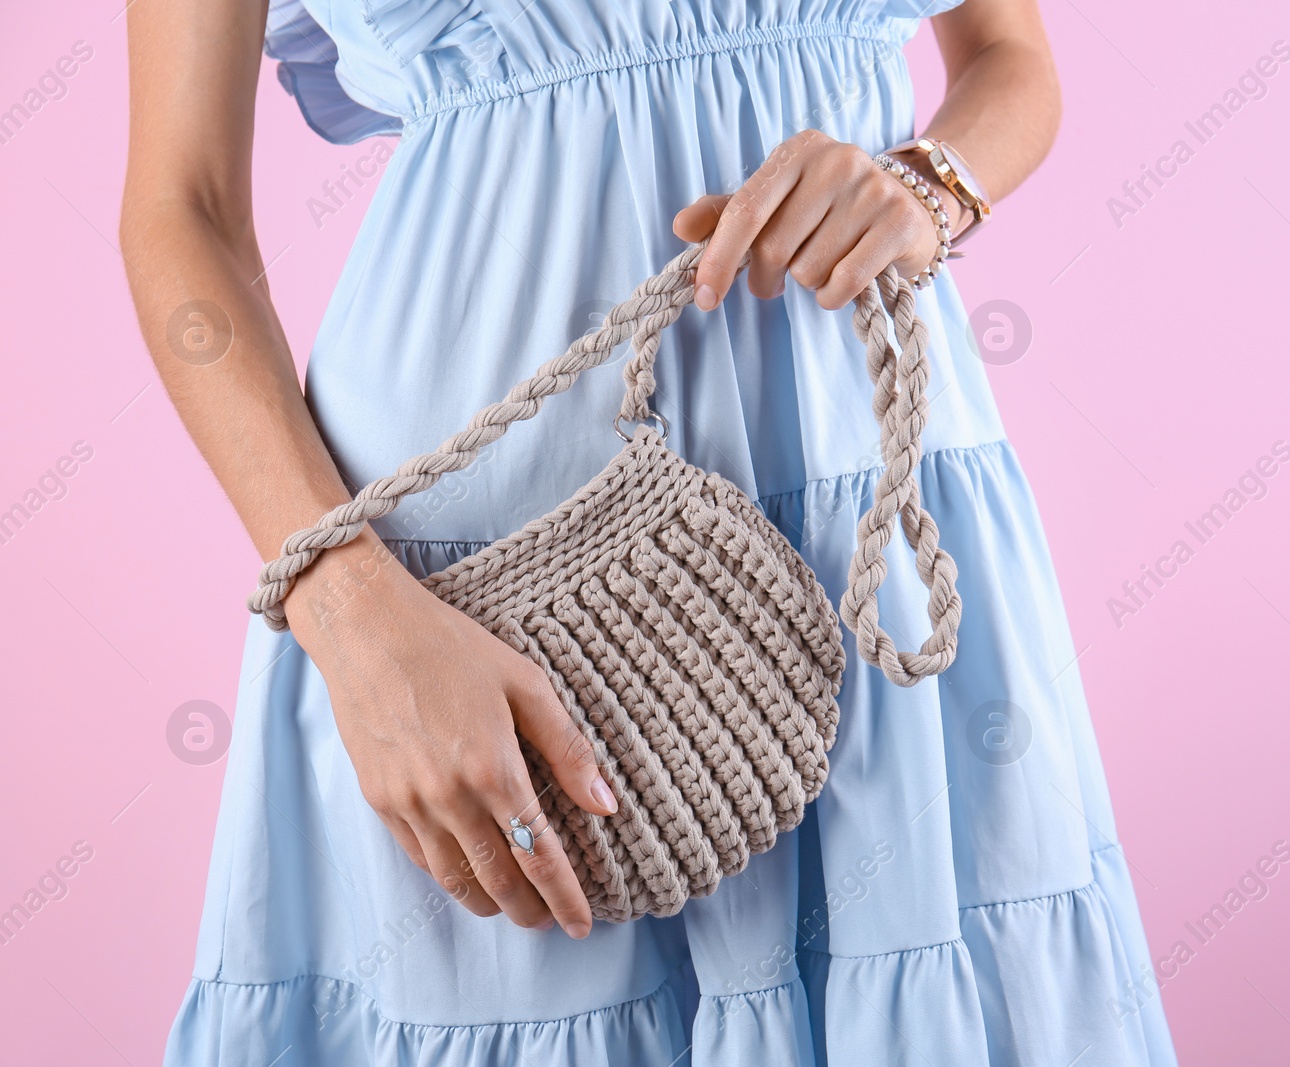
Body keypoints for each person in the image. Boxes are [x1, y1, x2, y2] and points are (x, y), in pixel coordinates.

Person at [122, 0, 1179, 1063]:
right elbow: (182, 206)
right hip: (478, 552)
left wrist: (928, 181)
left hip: (866, 482)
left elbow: (1011, 61)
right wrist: (350, 616)